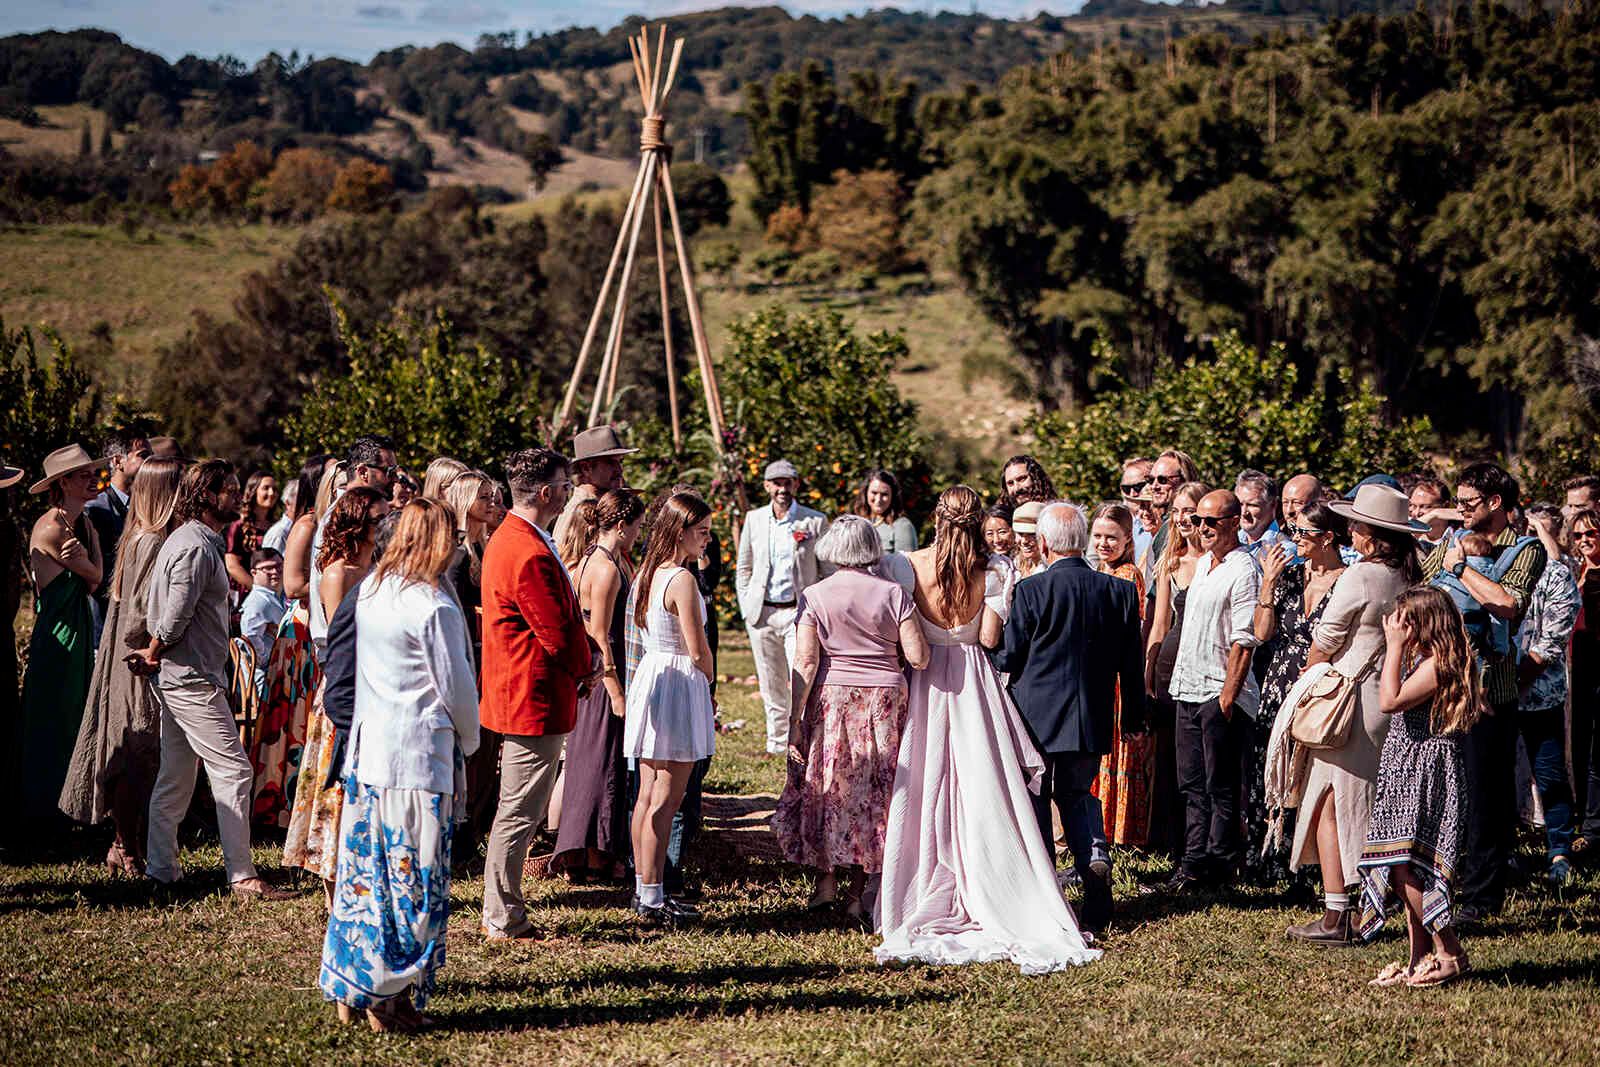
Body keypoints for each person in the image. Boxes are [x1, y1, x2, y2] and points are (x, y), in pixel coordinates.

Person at [877, 487, 1099, 973]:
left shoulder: (904, 565)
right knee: (985, 786)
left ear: (936, 517)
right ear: (978, 521)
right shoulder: (995, 570)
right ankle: (998, 883)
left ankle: (919, 886)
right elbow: (988, 637)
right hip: (975, 681)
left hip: (927, 683)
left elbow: (902, 637)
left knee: (926, 785)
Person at [318, 497, 479, 1033]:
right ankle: (388, 998)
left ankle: (357, 986)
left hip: (370, 754)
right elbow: (455, 687)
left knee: (366, 882)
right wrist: (472, 740)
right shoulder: (431, 604)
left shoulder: (373, 593)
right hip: (416, 756)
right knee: (414, 882)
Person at [138, 460, 291, 899]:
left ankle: (162, 869)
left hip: (186, 676)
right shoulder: (195, 546)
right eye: (230, 489)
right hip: (191, 680)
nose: (239, 497)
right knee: (234, 770)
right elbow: (173, 616)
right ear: (207, 495)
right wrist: (153, 652)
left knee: (177, 777)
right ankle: (242, 876)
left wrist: (156, 655)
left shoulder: (194, 540)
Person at [995, 502, 1145, 934]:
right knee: (1079, 793)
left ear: (1042, 544)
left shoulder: (1031, 591)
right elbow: (1130, 663)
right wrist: (1134, 714)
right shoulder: (1117, 591)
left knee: (1037, 797)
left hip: (1036, 716)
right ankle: (1094, 857)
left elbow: (1011, 654)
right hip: (1091, 715)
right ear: (1081, 542)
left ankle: (1046, 893)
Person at [773, 515, 929, 927]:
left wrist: (794, 719)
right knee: (874, 791)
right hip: (883, 700)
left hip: (833, 699)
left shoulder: (815, 595)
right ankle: (858, 895)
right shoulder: (894, 594)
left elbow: (806, 660)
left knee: (831, 785)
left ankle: (825, 883)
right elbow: (917, 655)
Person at [1283, 483, 1422, 942]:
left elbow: (1325, 639)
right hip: (1384, 695)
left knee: (1331, 802)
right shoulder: (1407, 575)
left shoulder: (1362, 576)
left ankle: (1339, 911)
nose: (1353, 531)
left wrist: (1307, 683)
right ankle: (1364, 905)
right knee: (1364, 801)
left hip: (1349, 699)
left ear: (1373, 534)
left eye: (1358, 525)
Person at [1420, 462, 1545, 921]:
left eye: (1468, 503)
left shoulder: (1526, 549)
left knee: (1486, 796)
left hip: (1492, 688)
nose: (1461, 510)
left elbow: (1508, 604)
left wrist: (1460, 569)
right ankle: (1439, 886)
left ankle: (1481, 896)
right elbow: (1424, 583)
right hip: (1444, 685)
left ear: (1496, 503)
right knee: (1445, 791)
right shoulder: (1451, 541)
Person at [479, 447, 594, 940]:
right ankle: (501, 914)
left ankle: (503, 907)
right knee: (521, 809)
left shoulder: (517, 537)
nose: (570, 494)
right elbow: (556, 633)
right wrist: (588, 665)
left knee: (520, 805)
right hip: (532, 693)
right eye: (566, 487)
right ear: (547, 494)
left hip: (528, 688)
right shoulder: (524, 549)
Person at [59, 454, 183, 875]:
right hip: (137, 662)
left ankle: (126, 843)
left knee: (144, 755)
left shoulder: (151, 536)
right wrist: (150, 649)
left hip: (139, 658)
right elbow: (137, 610)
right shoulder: (148, 540)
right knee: (135, 752)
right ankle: (126, 845)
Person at [1356, 587, 1484, 989]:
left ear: (1426, 622)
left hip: (1426, 769)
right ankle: (1418, 958)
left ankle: (1449, 952)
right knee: (1402, 865)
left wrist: (1393, 646)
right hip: (1407, 766)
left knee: (1411, 867)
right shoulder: (1425, 658)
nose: (1398, 625)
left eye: (1406, 620)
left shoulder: (1439, 663)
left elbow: (1390, 700)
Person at [285, 486, 389, 906]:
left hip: (379, 687)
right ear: (358, 525)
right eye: (378, 520)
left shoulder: (379, 570)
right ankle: (333, 885)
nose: (385, 527)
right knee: (335, 787)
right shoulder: (338, 573)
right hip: (347, 688)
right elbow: (339, 641)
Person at [625, 491, 718, 925]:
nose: (707, 539)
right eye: (701, 532)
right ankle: (654, 894)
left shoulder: (648, 571)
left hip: (653, 673)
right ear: (679, 531)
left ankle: (646, 889)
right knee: (668, 797)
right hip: (679, 681)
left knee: (647, 795)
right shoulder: (681, 579)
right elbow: (697, 648)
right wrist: (711, 674)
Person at [1166, 489, 1260, 891]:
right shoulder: (1204, 563)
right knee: (1191, 784)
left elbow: (1245, 639)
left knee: (1219, 786)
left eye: (1212, 522)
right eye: (1198, 521)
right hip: (1188, 687)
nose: (1202, 529)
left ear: (1234, 522)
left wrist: (1226, 697)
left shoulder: (1244, 570)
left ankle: (1220, 868)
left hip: (1218, 691)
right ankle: (1192, 865)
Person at [553, 490, 645, 883]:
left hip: (604, 674)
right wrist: (616, 691)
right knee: (598, 765)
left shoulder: (601, 557)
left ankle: (597, 851)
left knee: (598, 762)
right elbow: (599, 633)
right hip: (603, 677)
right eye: (638, 527)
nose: (640, 534)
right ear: (621, 526)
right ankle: (589, 855)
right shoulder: (604, 567)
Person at [18, 444, 105, 826]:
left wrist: (89, 562)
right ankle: (43, 806)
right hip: (59, 632)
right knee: (55, 712)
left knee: (76, 710)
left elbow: (95, 576)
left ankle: (69, 803)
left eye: (92, 473)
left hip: (78, 625)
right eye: (83, 475)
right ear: (63, 482)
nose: (92, 479)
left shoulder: (83, 524)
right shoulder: (52, 526)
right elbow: (94, 576)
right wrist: (90, 566)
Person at [1254, 501, 1348, 854]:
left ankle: (1307, 858)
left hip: (1320, 686)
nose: (1296, 540)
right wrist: (1268, 581)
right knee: (1275, 766)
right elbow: (1262, 633)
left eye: (1303, 533)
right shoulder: (1291, 577)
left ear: (1327, 538)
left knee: (1309, 774)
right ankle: (1270, 854)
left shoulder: (1346, 581)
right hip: (1280, 678)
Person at [737, 459, 829, 756]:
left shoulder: (814, 521)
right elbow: (744, 568)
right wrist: (746, 606)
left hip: (797, 613)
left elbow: (826, 571)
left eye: (787, 482)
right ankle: (776, 742)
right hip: (762, 612)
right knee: (769, 678)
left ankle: (798, 736)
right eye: (776, 483)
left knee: (801, 676)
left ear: (796, 485)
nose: (782, 489)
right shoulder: (754, 519)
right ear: (766, 486)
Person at [1514, 503, 1580, 886]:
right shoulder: (1495, 569)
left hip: (1542, 694)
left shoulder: (1555, 574)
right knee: (1497, 778)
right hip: (1498, 694)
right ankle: (1503, 852)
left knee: (1550, 774)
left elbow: (1553, 638)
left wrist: (1520, 677)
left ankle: (1560, 852)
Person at [1142, 480, 1209, 859]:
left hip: (1203, 664)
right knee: (1168, 757)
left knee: (1197, 759)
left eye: (1190, 511)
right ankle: (1173, 842)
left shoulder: (1217, 561)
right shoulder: (1170, 558)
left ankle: (1203, 847)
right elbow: (1160, 620)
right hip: (1170, 661)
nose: (1182, 518)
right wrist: (1149, 664)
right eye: (1177, 511)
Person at [1087, 502, 1153, 851]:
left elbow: (1128, 633)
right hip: (1098, 674)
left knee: (1116, 750)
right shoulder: (1098, 570)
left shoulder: (1128, 575)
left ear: (1128, 539)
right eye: (1098, 536)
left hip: (1115, 676)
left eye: (1111, 537)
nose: (1103, 543)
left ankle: (1119, 831)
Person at [84, 430, 149, 622]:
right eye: (143, 456)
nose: (150, 463)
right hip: (104, 621)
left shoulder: (148, 510)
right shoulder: (94, 510)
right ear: (117, 461)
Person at [553, 425, 636, 548]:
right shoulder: (580, 514)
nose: (619, 469)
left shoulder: (598, 507)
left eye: (620, 461)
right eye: (610, 462)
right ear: (586, 468)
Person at [1143, 449, 1201, 584]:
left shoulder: (1189, 528)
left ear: (1185, 481)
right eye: (1150, 480)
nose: (1154, 486)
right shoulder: (1164, 527)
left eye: (1163, 480)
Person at [238, 548, 287, 699]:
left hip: (274, 676)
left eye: (279, 566)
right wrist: (268, 660)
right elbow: (249, 637)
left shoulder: (273, 598)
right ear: (254, 573)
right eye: (267, 568)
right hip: (264, 681)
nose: (275, 572)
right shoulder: (259, 601)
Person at [224, 470, 277, 595]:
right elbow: (232, 565)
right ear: (253, 491)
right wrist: (258, 589)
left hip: (274, 592)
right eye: (266, 488)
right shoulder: (239, 526)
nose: (271, 493)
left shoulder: (275, 526)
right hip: (246, 593)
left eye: (275, 489)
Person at [853, 469, 919, 554]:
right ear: (866, 492)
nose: (878, 499)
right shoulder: (856, 523)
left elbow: (906, 565)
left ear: (893, 496)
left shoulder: (902, 526)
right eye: (874, 493)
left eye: (884, 494)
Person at [1235, 469, 1282, 557]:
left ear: (1273, 505)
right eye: (1240, 504)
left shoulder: (1284, 550)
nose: (1244, 512)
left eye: (1252, 505)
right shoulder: (1229, 544)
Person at [1120, 458, 1156, 567]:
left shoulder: (1161, 524)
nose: (1132, 493)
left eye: (1138, 487)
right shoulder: (1117, 522)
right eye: (1126, 488)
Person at [1408, 475, 1454, 551]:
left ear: (1445, 506)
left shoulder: (1459, 537)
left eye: (1424, 506)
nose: (1416, 513)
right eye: (1413, 506)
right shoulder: (1409, 540)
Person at [1010, 500, 1044, 578]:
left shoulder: (1051, 569)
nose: (1024, 541)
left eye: (1032, 534)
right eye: (1020, 534)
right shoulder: (1015, 564)